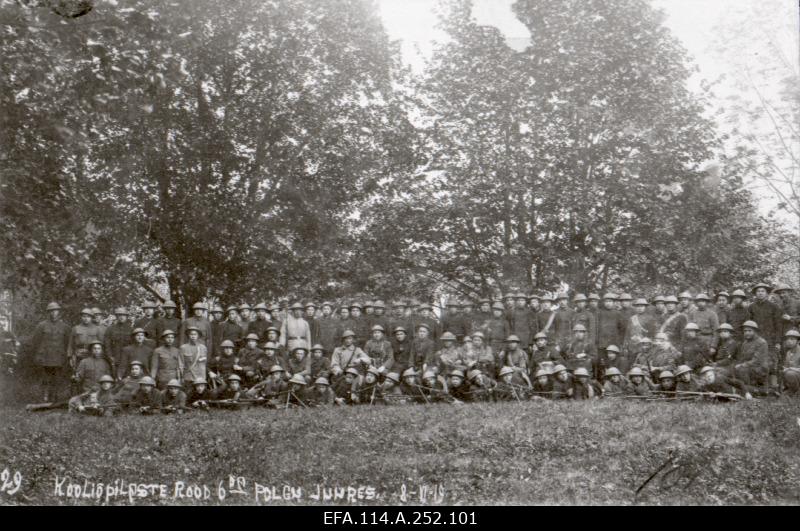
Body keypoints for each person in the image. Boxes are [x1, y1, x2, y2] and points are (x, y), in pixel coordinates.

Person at [29, 300, 71, 398]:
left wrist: (67, 356)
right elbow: (35, 342)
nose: (53, 313)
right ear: (48, 312)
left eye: (55, 311)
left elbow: (68, 343)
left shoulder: (65, 327)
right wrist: (38, 355)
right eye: (51, 311)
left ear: (59, 312)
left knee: (57, 377)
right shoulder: (41, 326)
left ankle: (55, 396)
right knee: (45, 377)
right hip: (45, 356)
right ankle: (45, 395)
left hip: (59, 356)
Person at [733, 320, 772, 394]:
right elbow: (742, 358)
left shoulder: (761, 342)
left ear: (755, 331)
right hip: (749, 367)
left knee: (742, 370)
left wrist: (742, 365)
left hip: (760, 369)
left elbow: (757, 361)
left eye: (750, 331)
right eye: (745, 331)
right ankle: (744, 389)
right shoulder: (745, 343)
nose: (747, 333)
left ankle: (750, 390)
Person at [104, 307, 133, 377]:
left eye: (124, 315)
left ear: (126, 317)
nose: (122, 317)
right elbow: (107, 345)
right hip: (115, 358)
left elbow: (133, 345)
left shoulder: (131, 329)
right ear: (116, 316)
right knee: (114, 377)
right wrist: (110, 356)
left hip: (127, 358)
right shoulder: (110, 329)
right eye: (119, 315)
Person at [180, 326, 208, 391]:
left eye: (195, 334)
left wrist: (203, 378)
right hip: (188, 377)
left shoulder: (203, 348)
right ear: (188, 336)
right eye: (191, 334)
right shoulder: (183, 348)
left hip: (200, 378)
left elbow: (204, 364)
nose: (193, 336)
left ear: (198, 336)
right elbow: (181, 364)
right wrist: (181, 377)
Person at [782, 330, 800, 395]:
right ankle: (788, 389)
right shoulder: (788, 352)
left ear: (798, 341)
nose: (789, 341)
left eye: (792, 339)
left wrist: (790, 369)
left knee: (790, 373)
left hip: (796, 376)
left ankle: (795, 391)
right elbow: (786, 366)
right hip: (794, 377)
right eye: (787, 339)